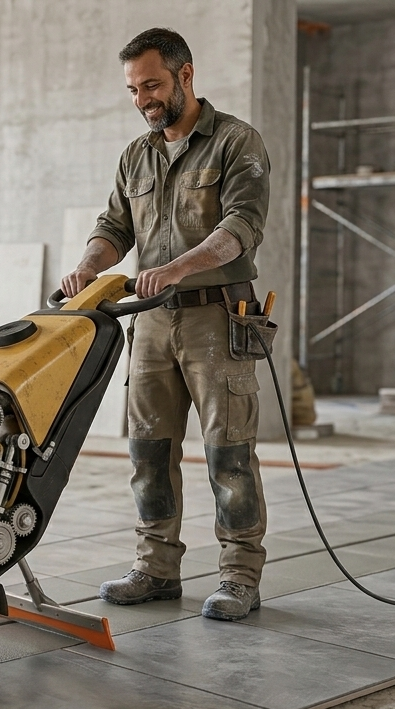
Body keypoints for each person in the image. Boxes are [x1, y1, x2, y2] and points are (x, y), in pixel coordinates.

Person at [60, 28, 271, 621]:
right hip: (151, 323)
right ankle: (155, 569)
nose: (142, 99)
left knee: (229, 452)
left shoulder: (236, 143)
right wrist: (86, 267)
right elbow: (114, 226)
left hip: (217, 318)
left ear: (185, 75)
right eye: (132, 89)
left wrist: (175, 268)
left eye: (151, 85)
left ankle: (239, 577)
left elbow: (241, 228)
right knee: (147, 450)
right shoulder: (137, 154)